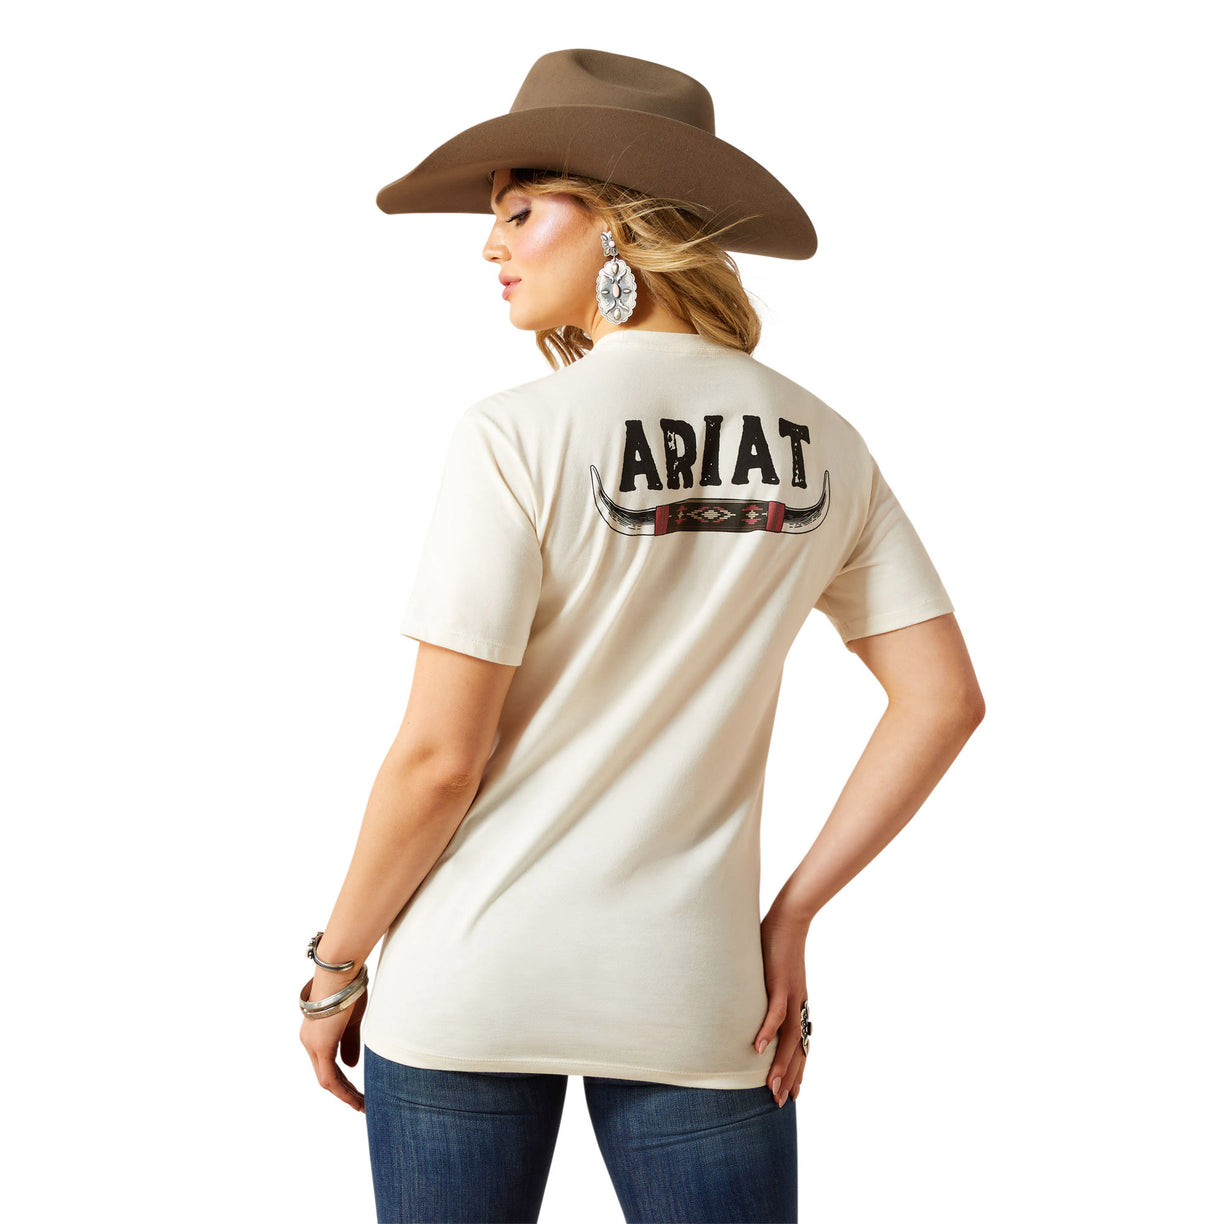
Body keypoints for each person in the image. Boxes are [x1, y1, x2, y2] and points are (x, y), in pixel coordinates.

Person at [298, 48, 985, 1224]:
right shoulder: (823, 441)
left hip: (473, 978)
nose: (489, 244)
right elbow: (942, 699)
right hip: (696, 991)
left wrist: (335, 967)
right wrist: (790, 915)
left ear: (619, 224)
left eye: (519, 209)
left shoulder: (516, 435)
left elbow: (438, 762)